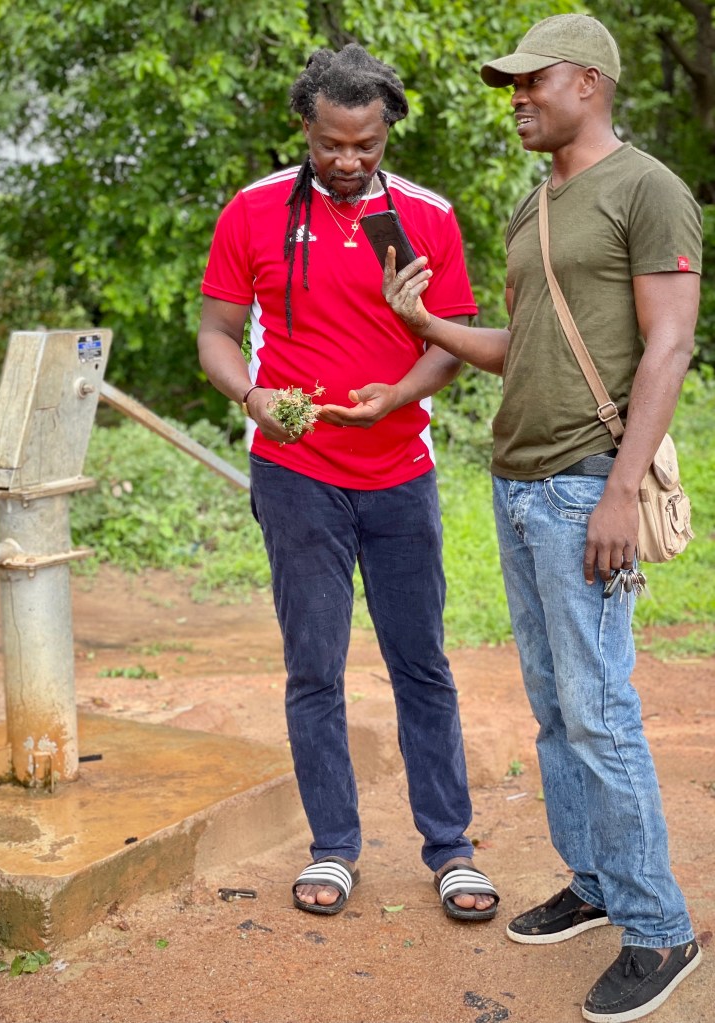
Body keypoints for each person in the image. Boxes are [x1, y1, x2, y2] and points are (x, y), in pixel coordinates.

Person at [382, 13, 702, 1023]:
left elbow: (669, 347)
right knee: (555, 708)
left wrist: (620, 488)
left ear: (589, 84)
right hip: (518, 483)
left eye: (532, 81)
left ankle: (658, 928)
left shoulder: (647, 188)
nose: (516, 97)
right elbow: (523, 343)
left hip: (584, 483)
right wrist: (427, 325)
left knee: (599, 710)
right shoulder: (536, 204)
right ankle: (595, 882)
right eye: (510, 84)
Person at [197, 43, 498, 923]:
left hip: (400, 472)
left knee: (421, 663)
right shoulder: (253, 210)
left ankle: (450, 849)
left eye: (365, 144)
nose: (347, 160)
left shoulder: (426, 216)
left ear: (386, 130)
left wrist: (398, 395)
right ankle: (333, 844)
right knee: (314, 668)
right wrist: (251, 395)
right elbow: (217, 332)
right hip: (295, 474)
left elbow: (454, 339)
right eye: (330, 143)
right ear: (305, 126)